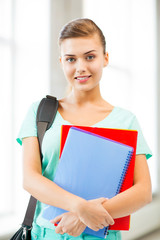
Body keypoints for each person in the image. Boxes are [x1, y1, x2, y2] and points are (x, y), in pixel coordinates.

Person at [17, 18, 152, 240]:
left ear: (105, 58)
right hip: (47, 235)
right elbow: (30, 179)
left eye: (90, 56)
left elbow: (143, 191)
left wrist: (82, 216)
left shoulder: (126, 120)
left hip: (102, 235)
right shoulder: (39, 112)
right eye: (71, 59)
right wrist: (80, 207)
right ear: (61, 62)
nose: (81, 67)